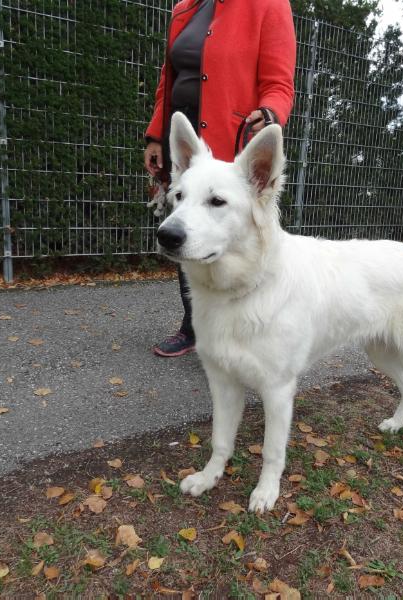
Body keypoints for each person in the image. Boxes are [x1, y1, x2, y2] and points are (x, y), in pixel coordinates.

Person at [144, 0, 296, 357]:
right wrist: (155, 135)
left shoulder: (268, 5)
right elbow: (169, 82)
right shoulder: (184, 8)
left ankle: (250, 327)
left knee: (232, 236)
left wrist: (272, 112)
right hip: (185, 142)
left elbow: (279, 82)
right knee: (185, 227)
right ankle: (196, 326)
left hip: (232, 141)